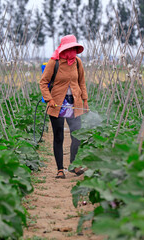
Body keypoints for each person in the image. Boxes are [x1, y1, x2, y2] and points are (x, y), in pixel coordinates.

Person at [39, 35, 89, 179]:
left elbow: (82, 82)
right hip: (57, 104)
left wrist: (85, 99)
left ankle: (74, 165)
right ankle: (60, 169)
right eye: (70, 48)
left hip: (74, 103)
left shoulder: (77, 63)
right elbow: (43, 82)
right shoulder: (54, 62)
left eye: (74, 48)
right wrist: (49, 99)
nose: (72, 51)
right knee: (59, 137)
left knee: (77, 135)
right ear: (64, 49)